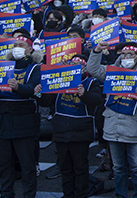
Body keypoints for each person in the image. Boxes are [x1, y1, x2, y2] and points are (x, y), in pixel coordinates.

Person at [87, 42, 137, 198]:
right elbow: (93, 69)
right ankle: (121, 195)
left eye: (129, 55)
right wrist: (97, 51)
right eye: (123, 55)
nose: (125, 58)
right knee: (118, 167)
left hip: (135, 127)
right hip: (113, 126)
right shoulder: (112, 72)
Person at [39, 54, 102, 198]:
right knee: (65, 168)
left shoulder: (91, 82)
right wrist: (39, 93)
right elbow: (46, 101)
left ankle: (81, 194)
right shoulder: (61, 80)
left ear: (84, 67)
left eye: (78, 66)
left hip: (80, 130)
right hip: (61, 129)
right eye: (72, 65)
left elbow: (96, 100)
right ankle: (67, 194)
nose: (75, 68)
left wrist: (83, 94)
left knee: (80, 167)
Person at [0, 30, 42, 198]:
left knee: (27, 164)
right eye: (14, 45)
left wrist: (18, 88)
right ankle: (6, 194)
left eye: (21, 45)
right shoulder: (1, 67)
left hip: (24, 122)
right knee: (4, 164)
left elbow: (34, 89)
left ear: (29, 50)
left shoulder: (35, 68)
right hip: (3, 120)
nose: (16, 48)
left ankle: (29, 195)